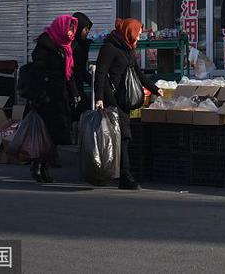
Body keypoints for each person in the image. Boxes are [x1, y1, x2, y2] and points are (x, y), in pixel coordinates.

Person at [94, 18, 161, 190]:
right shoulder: (109, 48)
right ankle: (125, 175)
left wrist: (154, 89)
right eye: (137, 35)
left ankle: (121, 173)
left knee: (123, 137)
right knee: (123, 136)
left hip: (124, 100)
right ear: (129, 32)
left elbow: (137, 72)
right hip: (113, 99)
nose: (138, 39)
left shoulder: (128, 48)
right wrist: (99, 98)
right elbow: (100, 74)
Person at [28, 14, 78, 183]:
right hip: (46, 99)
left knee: (54, 136)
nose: (71, 32)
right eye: (69, 28)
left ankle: (44, 166)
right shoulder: (45, 46)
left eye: (73, 29)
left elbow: (69, 75)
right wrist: (41, 95)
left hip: (59, 97)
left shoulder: (64, 47)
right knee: (45, 135)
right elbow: (37, 73)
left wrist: (74, 94)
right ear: (61, 27)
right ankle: (38, 166)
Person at [71, 12, 93, 115]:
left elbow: (81, 70)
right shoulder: (71, 47)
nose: (88, 31)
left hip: (77, 88)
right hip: (70, 90)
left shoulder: (82, 45)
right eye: (85, 28)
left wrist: (94, 82)